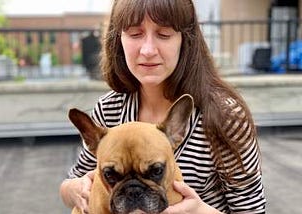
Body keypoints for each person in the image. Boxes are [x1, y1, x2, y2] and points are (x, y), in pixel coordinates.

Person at [60, 0, 266, 213]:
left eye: (164, 34)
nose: (148, 49)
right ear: (118, 38)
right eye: (134, 34)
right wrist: (75, 189)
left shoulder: (226, 118)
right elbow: (72, 182)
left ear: (185, 40)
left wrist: (200, 211)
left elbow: (252, 210)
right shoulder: (108, 109)